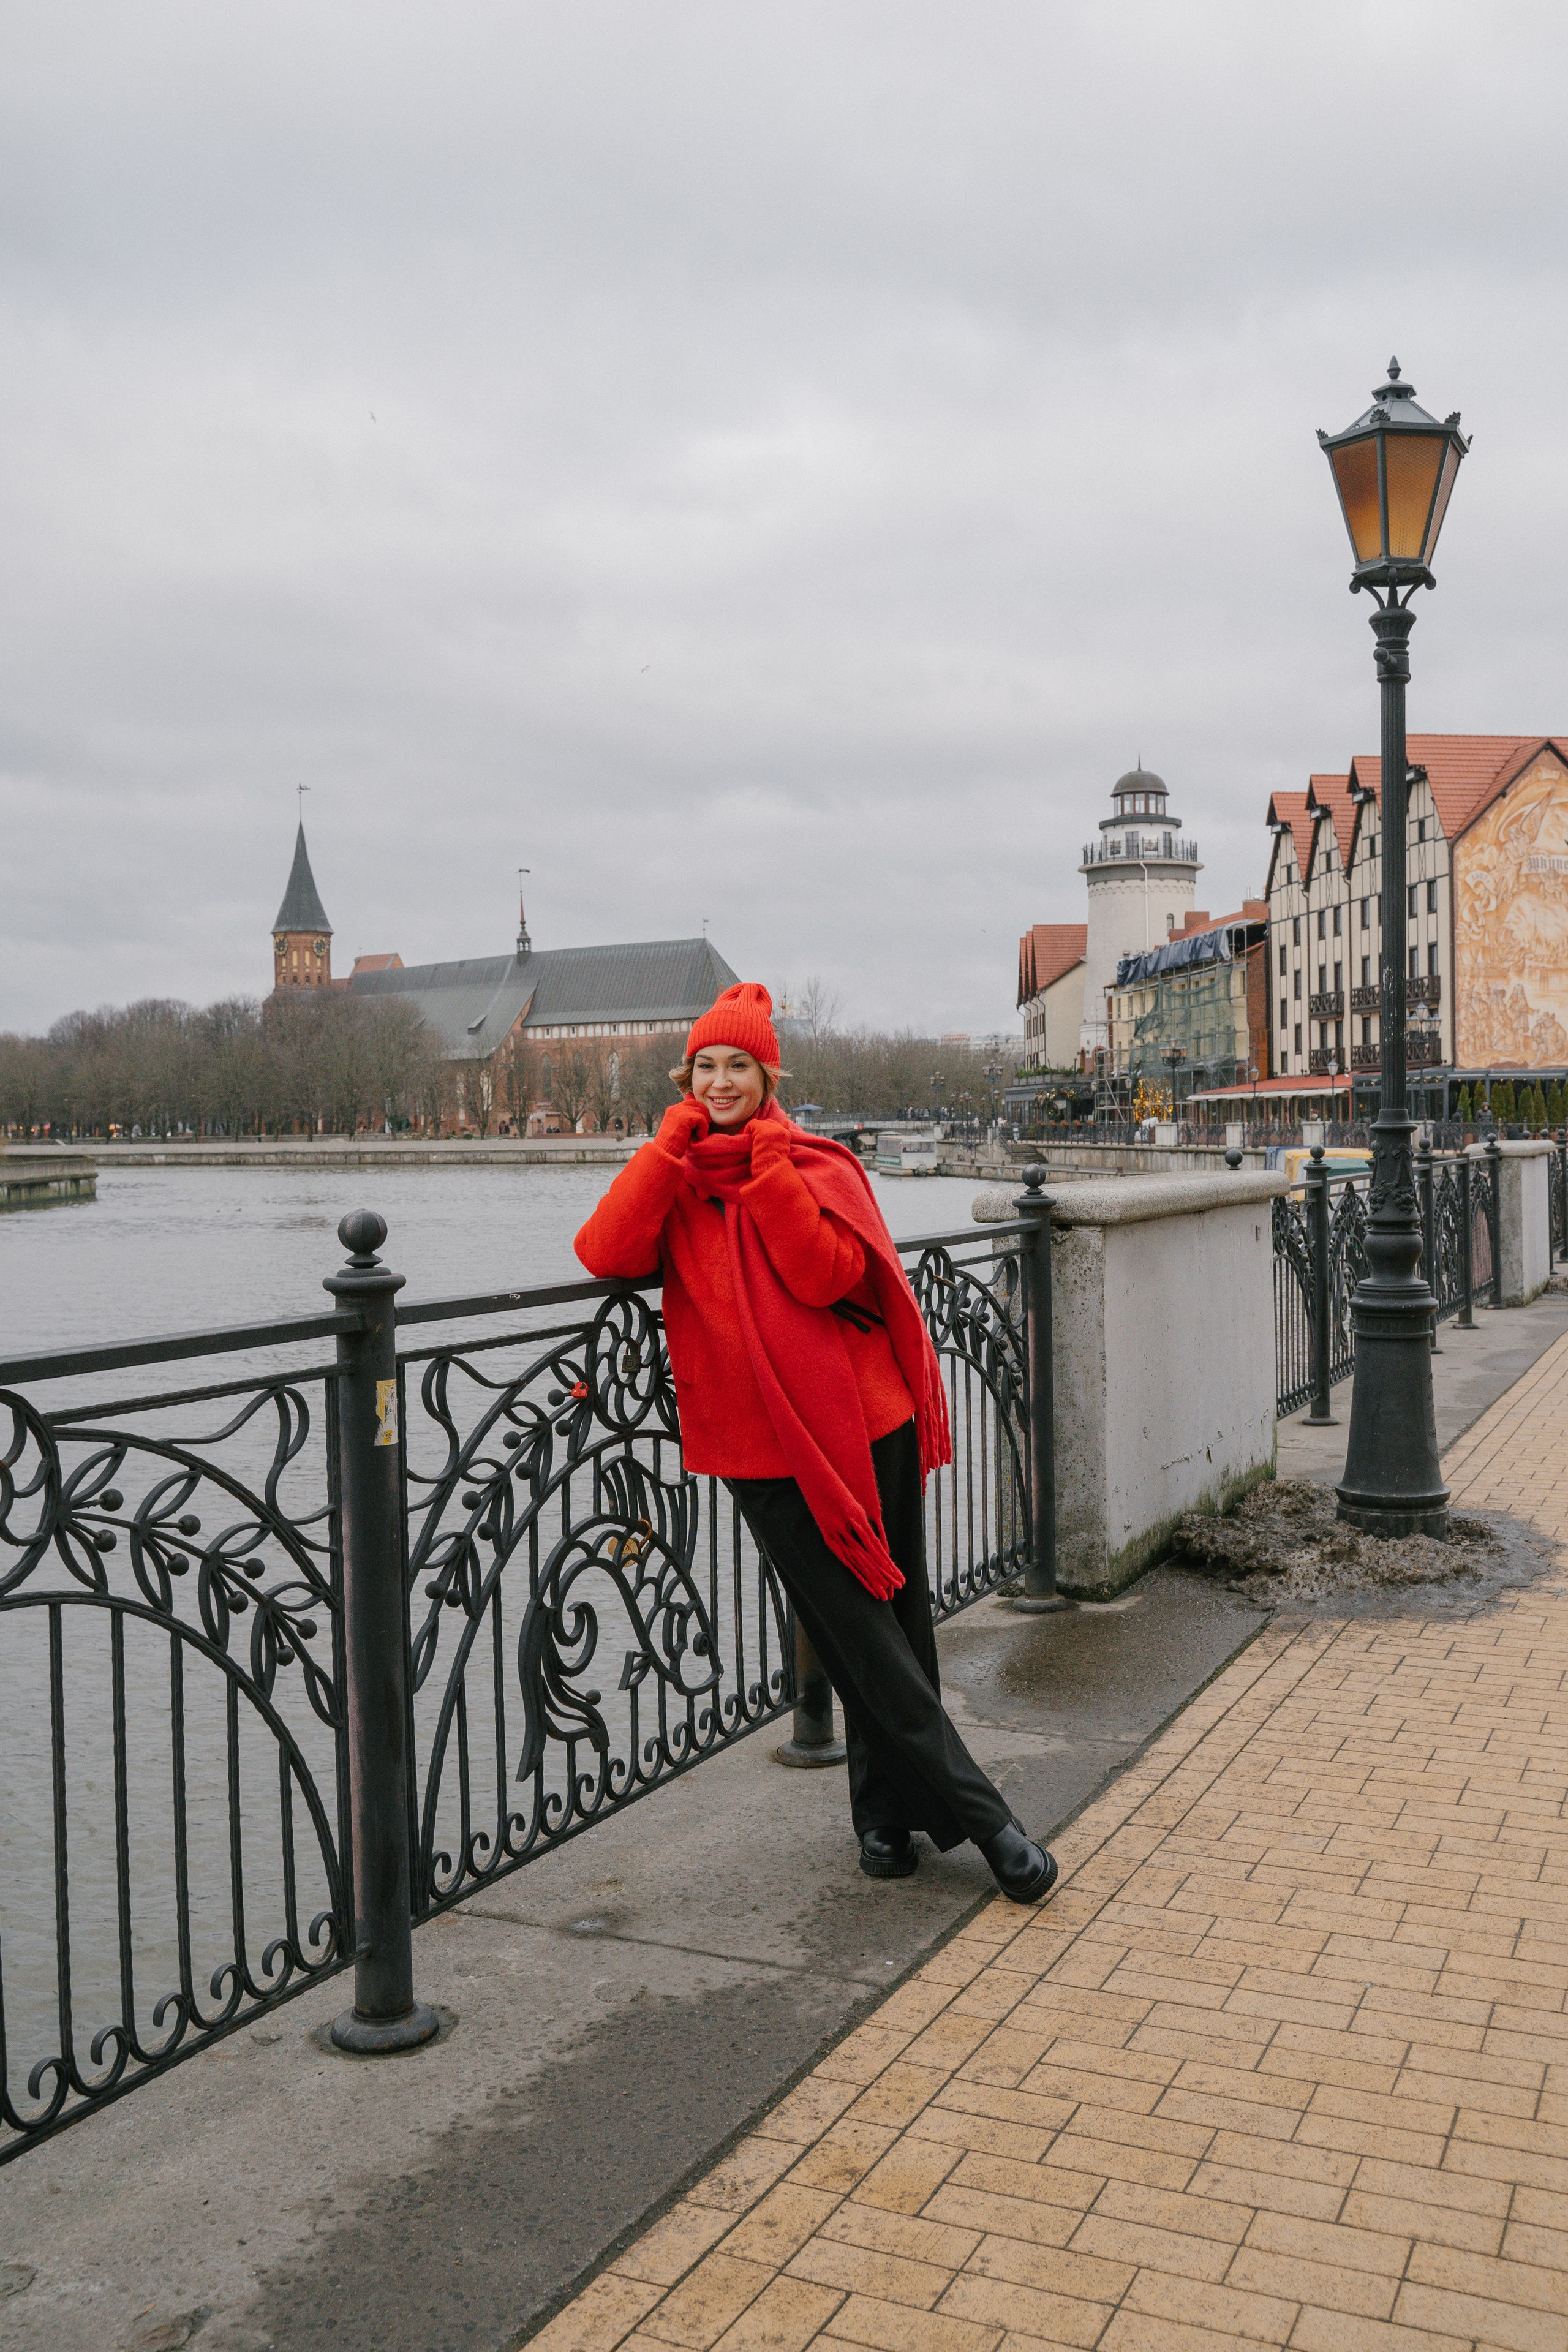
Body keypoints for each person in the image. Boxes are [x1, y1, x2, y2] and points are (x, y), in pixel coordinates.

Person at [574, 980, 1057, 1904]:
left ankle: (882, 1818)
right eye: (705, 1068)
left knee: (891, 1626)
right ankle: (988, 1821)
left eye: (738, 1067)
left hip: (865, 1420)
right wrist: (669, 1145)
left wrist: (767, 1175)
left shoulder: (811, 1163)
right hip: (759, 1444)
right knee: (858, 1637)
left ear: (767, 1074)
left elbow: (824, 1271)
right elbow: (605, 1253)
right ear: (686, 1076)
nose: (721, 1083)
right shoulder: (674, 1177)